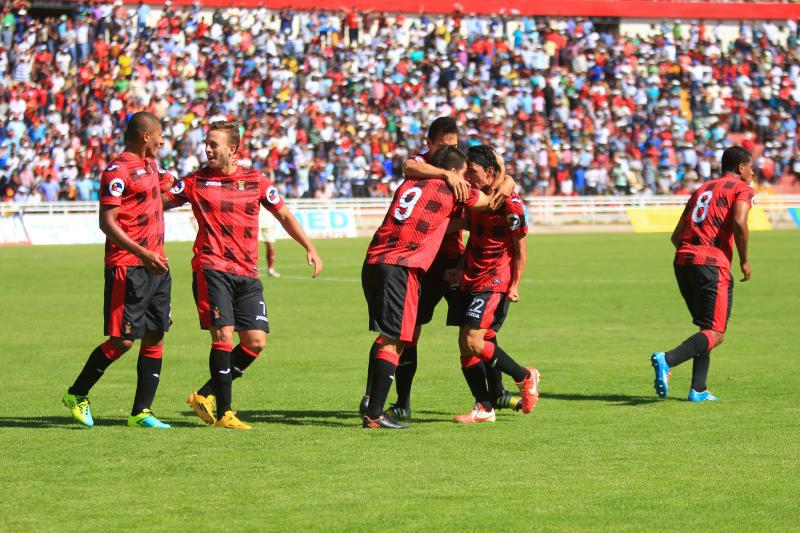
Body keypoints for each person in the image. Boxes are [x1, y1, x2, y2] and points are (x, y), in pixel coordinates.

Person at [164, 121, 322, 430]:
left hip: (247, 273)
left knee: (255, 342)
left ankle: (204, 395)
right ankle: (225, 413)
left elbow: (283, 214)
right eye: (206, 144)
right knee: (223, 336)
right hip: (212, 268)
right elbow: (158, 202)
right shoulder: (195, 181)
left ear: (233, 149)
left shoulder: (256, 180)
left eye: (214, 144)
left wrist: (310, 247)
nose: (207, 149)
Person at [359, 117, 515, 419]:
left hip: (454, 261)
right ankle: (397, 402)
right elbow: (409, 165)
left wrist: (507, 180)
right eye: (444, 145)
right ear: (430, 144)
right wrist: (447, 175)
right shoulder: (426, 169)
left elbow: (485, 187)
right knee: (405, 334)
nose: (450, 149)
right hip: (421, 266)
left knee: (477, 329)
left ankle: (494, 394)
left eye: (454, 145)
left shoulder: (450, 172)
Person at [62, 111, 173, 429]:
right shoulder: (117, 171)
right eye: (160, 135)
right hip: (129, 265)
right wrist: (142, 252)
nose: (162, 141)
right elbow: (106, 222)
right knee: (122, 341)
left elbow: (167, 187)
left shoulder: (151, 166)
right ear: (146, 136)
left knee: (155, 334)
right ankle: (77, 394)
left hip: (157, 265)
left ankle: (141, 412)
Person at [650, 146, 754, 402]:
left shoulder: (702, 189)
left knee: (705, 328)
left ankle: (698, 389)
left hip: (683, 261)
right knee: (716, 333)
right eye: (751, 168)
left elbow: (676, 236)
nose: (753, 173)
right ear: (741, 167)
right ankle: (668, 359)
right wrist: (744, 260)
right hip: (711, 264)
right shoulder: (741, 188)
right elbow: (739, 221)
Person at [447, 145, 540, 423]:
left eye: (472, 172)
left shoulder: (511, 203)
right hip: (471, 277)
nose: (468, 178)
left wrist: (516, 284)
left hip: (494, 279)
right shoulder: (478, 199)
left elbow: (521, 248)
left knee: (473, 341)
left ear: (489, 172)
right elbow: (475, 238)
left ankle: (524, 376)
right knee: (467, 344)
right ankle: (485, 407)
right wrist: (460, 266)